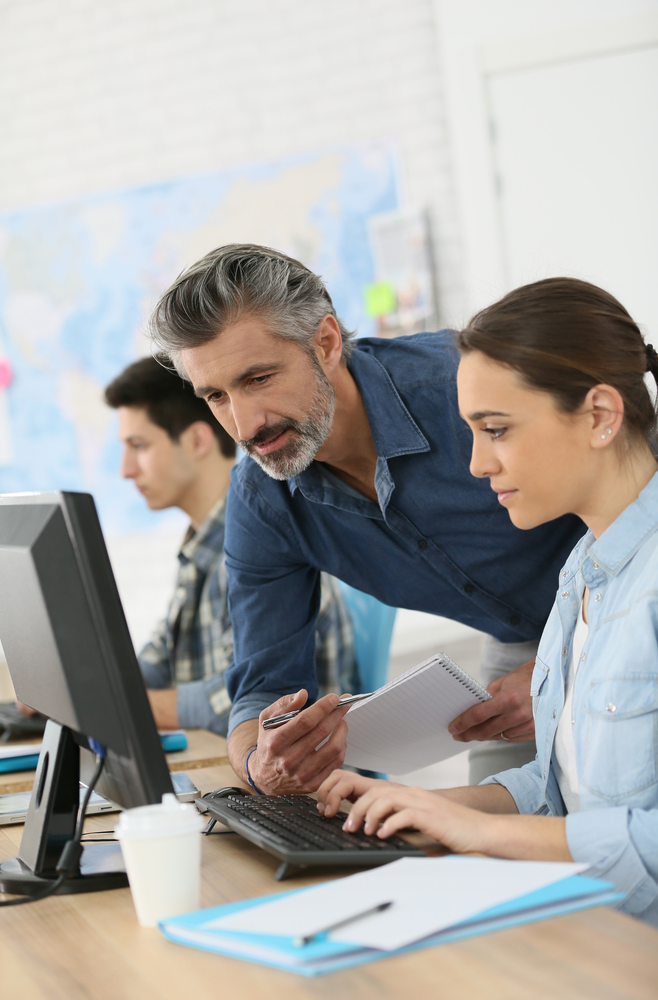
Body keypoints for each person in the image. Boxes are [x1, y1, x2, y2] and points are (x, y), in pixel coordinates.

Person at [148, 244, 584, 792]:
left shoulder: (465, 388)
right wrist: (257, 761)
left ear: (326, 342)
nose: (243, 425)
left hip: (628, 606)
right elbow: (261, 688)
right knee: (490, 848)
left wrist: (569, 660)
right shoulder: (263, 498)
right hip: (520, 648)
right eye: (215, 395)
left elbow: (636, 506)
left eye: (258, 378)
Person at [317, 277, 658, 925]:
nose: (476, 464)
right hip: (593, 932)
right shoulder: (581, 571)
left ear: (599, 416)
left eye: (495, 429)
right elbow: (566, 792)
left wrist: (479, 832)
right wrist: (428, 807)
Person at [103, 356, 356, 735]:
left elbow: (245, 703)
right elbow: (159, 660)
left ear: (197, 440)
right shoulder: (200, 545)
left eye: (138, 446)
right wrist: (90, 686)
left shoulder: (264, 545)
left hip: (301, 782)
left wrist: (126, 703)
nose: (125, 469)